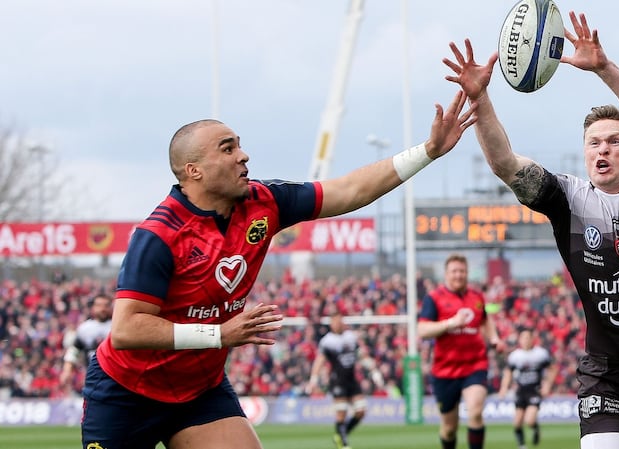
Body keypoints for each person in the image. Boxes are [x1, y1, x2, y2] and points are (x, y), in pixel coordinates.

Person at [80, 90, 477, 449]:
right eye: (227, 148)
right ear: (193, 170)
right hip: (126, 393)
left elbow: (347, 191)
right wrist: (218, 335)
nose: (243, 156)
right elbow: (127, 329)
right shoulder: (159, 235)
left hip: (199, 392)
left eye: (240, 145)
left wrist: (428, 151)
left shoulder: (264, 201)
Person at [443, 11, 619, 449]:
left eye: (615, 141)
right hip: (608, 377)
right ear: (585, 153)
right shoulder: (567, 199)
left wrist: (604, 69)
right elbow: (506, 164)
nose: (603, 149)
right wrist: (481, 97)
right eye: (594, 143)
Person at [418, 253, 504, 449]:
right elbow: (422, 330)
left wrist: (494, 338)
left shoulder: (476, 296)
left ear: (467, 273)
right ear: (446, 274)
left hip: (475, 365)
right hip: (445, 370)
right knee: (449, 429)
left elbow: (485, 320)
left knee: (475, 412)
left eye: (462, 271)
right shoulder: (434, 298)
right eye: (454, 271)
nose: (458, 275)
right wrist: (451, 323)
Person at [306, 312, 383, 449]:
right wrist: (314, 379)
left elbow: (361, 355)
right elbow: (320, 361)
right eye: (335, 321)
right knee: (341, 413)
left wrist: (374, 372)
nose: (338, 324)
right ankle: (343, 444)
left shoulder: (351, 337)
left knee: (361, 411)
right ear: (331, 324)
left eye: (340, 321)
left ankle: (341, 435)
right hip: (337, 381)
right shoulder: (327, 341)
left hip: (352, 380)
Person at [497, 328, 555, 448]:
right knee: (517, 422)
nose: (525, 340)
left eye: (528, 338)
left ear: (533, 339)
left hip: (534, 390)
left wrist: (547, 385)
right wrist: (503, 388)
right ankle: (522, 445)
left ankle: (535, 428)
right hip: (521, 391)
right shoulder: (515, 356)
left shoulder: (540, 354)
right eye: (523, 338)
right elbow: (508, 372)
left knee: (530, 420)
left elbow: (552, 369)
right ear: (520, 340)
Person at [59, 294, 113, 393]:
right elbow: (74, 350)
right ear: (93, 307)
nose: (103, 309)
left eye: (106, 305)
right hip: (93, 378)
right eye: (99, 305)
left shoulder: (116, 327)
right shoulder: (85, 328)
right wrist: (67, 370)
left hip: (114, 377)